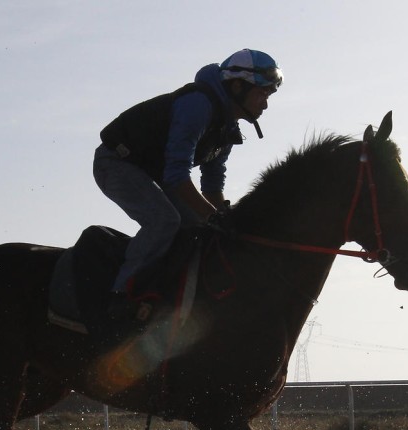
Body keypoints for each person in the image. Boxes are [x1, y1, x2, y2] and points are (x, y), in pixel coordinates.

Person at [94, 49, 282, 320]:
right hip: (115, 163)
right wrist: (212, 215)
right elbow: (177, 176)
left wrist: (226, 220)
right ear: (238, 86)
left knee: (199, 228)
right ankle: (121, 295)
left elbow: (212, 184)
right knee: (164, 220)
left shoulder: (228, 128)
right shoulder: (197, 105)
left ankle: (164, 295)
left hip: (149, 171)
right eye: (262, 94)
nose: (265, 104)